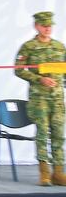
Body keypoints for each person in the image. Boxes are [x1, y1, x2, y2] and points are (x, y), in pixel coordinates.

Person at [15, 11, 66, 186]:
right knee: (43, 134)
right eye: (44, 25)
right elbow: (19, 69)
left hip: (58, 99)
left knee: (59, 134)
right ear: (36, 26)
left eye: (50, 25)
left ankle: (59, 172)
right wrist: (39, 79)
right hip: (40, 99)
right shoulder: (28, 47)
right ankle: (44, 172)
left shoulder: (59, 47)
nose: (47, 28)